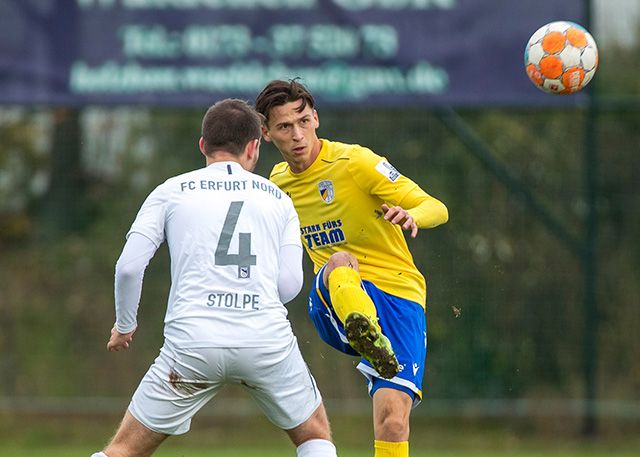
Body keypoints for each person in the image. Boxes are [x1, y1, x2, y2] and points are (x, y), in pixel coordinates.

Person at [91, 99, 338, 457]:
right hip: (265, 341)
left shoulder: (170, 190)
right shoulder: (279, 200)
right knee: (314, 434)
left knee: (124, 450)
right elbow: (288, 287)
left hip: (193, 344)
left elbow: (129, 267)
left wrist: (125, 325)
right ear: (254, 147)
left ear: (203, 145)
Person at [255, 79, 448, 457]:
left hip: (399, 294)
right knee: (339, 262)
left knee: (393, 422)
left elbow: (436, 207)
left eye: (304, 121)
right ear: (265, 133)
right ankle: (363, 329)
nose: (298, 135)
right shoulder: (276, 185)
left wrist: (412, 215)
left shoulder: (355, 162)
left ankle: (375, 342)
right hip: (335, 297)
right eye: (284, 127)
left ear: (317, 119)